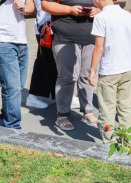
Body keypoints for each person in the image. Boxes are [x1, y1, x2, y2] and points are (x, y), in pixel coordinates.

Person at [42, 0, 100, 131]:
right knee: (67, 77)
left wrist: (99, 10)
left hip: (91, 36)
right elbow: (45, 5)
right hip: (64, 36)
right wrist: (70, 10)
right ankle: (62, 114)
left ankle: (87, 111)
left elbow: (109, 5)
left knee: (87, 75)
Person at [88, 0, 131, 144]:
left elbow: (98, 48)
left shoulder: (101, 17)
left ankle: (109, 143)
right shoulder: (127, 15)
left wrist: (92, 71)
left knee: (107, 109)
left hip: (109, 70)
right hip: (126, 68)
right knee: (126, 108)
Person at [0, 0, 35, 129]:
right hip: (1, 39)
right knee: (12, 87)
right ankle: (13, 127)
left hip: (21, 40)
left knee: (17, 86)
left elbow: (30, 7)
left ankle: (5, 118)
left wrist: (23, 8)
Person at [27, 0, 58, 109]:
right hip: (46, 28)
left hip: (48, 26)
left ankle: (33, 96)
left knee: (42, 62)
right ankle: (60, 95)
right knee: (50, 62)